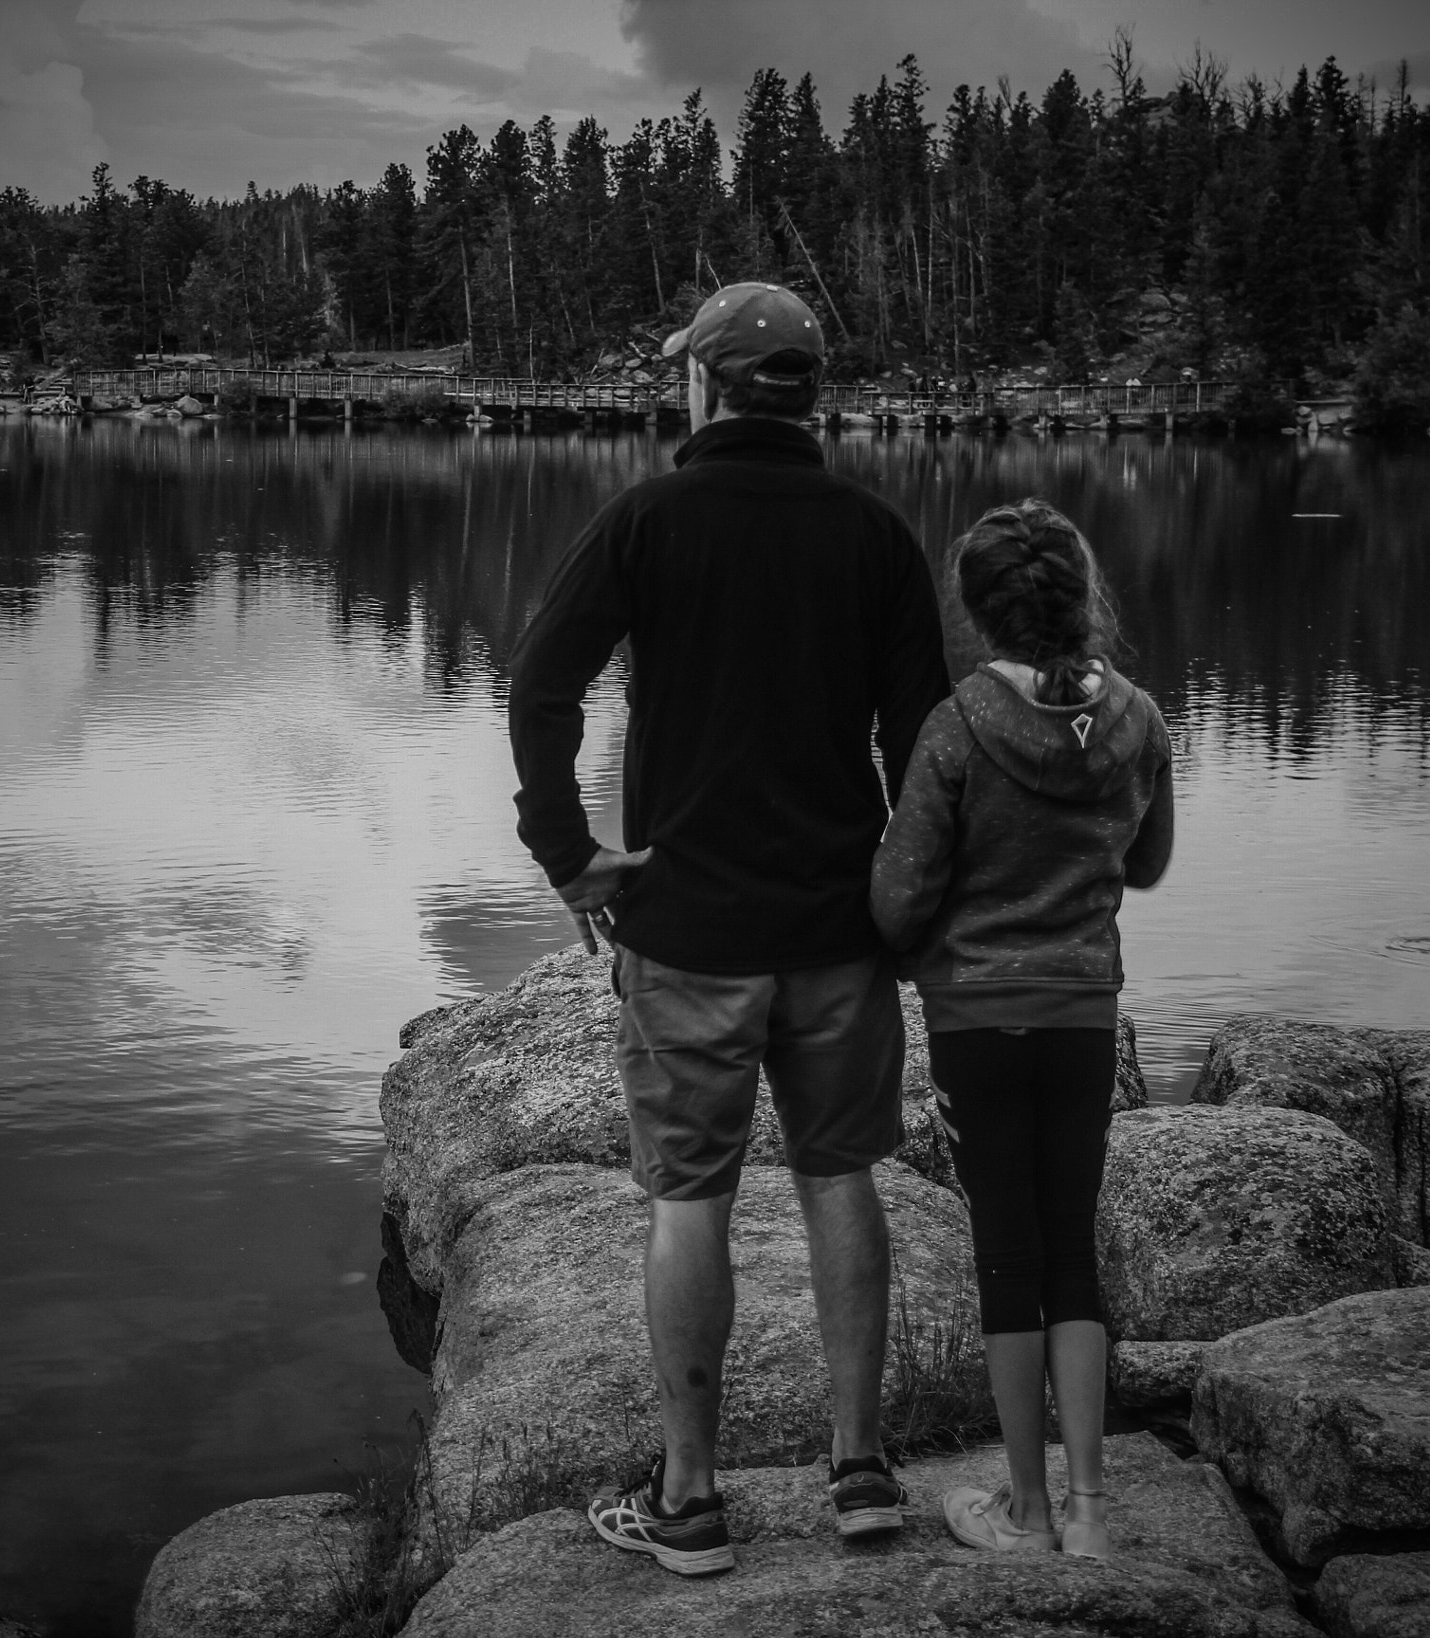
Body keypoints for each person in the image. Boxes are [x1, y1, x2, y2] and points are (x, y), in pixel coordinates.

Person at [508, 282, 951, 1577]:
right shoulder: (873, 534)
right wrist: (908, 905)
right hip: (835, 924)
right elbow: (921, 742)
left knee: (688, 1195)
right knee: (839, 1173)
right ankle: (861, 1472)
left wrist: (570, 856)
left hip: (688, 925)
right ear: (806, 394)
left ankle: (692, 1500)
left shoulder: (648, 518)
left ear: (706, 385)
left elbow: (541, 682)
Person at [869, 499, 1173, 1561]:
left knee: (1006, 1253)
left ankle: (1026, 1512)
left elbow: (900, 897)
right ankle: (1090, 1510)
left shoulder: (954, 726)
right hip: (1084, 1008)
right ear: (1084, 597)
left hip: (975, 1014)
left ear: (973, 609)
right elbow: (1142, 864)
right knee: (1070, 1252)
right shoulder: (1136, 716)